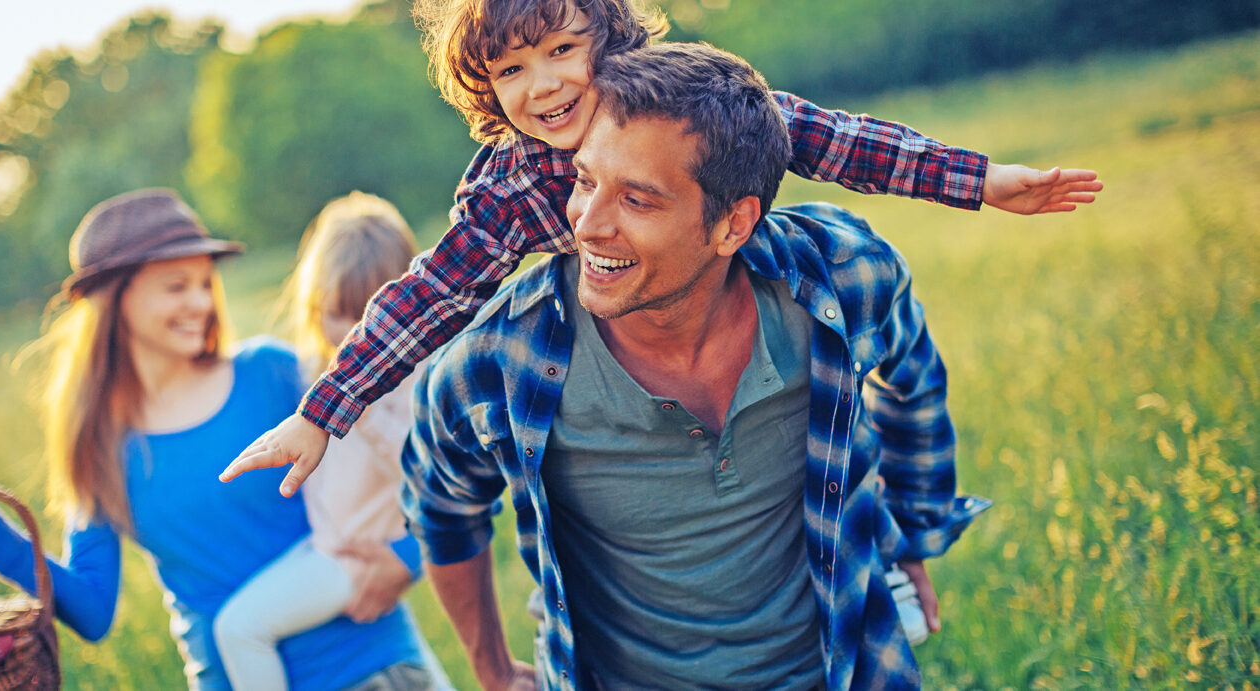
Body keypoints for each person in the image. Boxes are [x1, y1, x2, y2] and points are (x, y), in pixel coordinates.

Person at [221, 0, 1101, 497]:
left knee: (810, 433)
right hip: (621, 344)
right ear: (485, 89)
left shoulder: (682, 102)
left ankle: (869, 533)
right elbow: (431, 293)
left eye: (563, 50)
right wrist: (322, 410)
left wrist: (980, 180)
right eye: (512, 71)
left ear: (606, 40)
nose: (546, 84)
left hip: (739, 300)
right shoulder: (509, 184)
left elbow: (832, 138)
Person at [402, 43, 990, 690]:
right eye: (585, 180)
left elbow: (912, 383)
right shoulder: (499, 356)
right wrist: (489, 668)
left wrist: (911, 533)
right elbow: (440, 502)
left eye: (639, 200)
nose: (588, 225)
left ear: (733, 225)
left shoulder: (843, 276)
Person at [0, 188, 438, 691]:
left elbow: (409, 467)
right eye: (176, 287)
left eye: (204, 283)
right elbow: (91, 609)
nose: (200, 303)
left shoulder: (272, 374)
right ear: (113, 303)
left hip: (368, 669)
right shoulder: (98, 445)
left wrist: (406, 559)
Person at [212, 192, 450, 690]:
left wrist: (360, 408)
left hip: (355, 558)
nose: (350, 335)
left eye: (370, 315)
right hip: (327, 543)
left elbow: (428, 472)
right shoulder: (315, 369)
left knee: (239, 628)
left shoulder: (414, 382)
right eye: (336, 312)